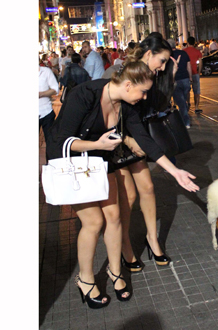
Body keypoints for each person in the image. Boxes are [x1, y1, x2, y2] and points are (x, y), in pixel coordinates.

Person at [46, 61, 199, 309]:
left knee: (115, 216)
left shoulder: (127, 105)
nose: (145, 96)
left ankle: (115, 272)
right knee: (94, 222)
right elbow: (62, 140)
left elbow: (144, 140)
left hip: (101, 160)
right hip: (72, 162)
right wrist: (97, 145)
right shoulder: (85, 94)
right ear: (128, 85)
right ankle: (85, 279)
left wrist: (174, 171)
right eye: (143, 91)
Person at [114, 35, 189, 273]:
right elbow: (110, 113)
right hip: (117, 142)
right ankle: (126, 246)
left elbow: (157, 107)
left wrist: (170, 75)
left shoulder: (155, 76)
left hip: (141, 139)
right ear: (148, 54)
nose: (163, 65)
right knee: (129, 196)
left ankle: (152, 239)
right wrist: (126, 139)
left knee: (147, 188)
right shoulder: (122, 73)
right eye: (162, 60)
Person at [167, 38, 192, 128]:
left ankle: (186, 122)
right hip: (185, 79)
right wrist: (190, 77)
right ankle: (183, 118)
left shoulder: (169, 55)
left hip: (176, 80)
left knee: (181, 103)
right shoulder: (183, 53)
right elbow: (188, 66)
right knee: (183, 101)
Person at [39, 63, 59, 146]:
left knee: (51, 141)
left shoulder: (46, 71)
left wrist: (41, 94)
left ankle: (50, 158)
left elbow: (55, 89)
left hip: (46, 111)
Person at [184, 37, 203, 113]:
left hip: (186, 74)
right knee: (196, 91)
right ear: (194, 42)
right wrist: (199, 71)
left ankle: (188, 103)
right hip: (195, 73)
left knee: (187, 90)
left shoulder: (184, 51)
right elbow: (200, 63)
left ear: (187, 43)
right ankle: (196, 107)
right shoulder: (198, 52)